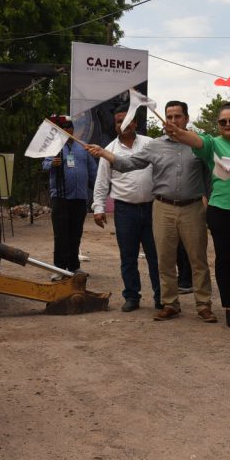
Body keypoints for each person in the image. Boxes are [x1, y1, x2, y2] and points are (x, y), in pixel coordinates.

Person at [86, 101, 216, 323]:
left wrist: (210, 205)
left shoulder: (200, 145)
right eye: (169, 116)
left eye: (178, 116)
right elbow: (128, 164)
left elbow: (210, 177)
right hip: (162, 208)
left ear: (186, 118)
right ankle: (169, 303)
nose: (173, 120)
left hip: (193, 208)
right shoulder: (154, 146)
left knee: (198, 259)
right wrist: (105, 154)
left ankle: (203, 305)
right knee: (164, 259)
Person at [165, 102, 230, 328]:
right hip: (222, 212)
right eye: (222, 121)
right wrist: (176, 130)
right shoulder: (212, 144)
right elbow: (193, 139)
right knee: (225, 261)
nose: (227, 124)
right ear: (218, 125)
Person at [91, 104, 161, 313]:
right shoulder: (109, 150)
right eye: (119, 121)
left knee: (156, 256)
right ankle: (131, 296)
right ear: (115, 126)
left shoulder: (150, 144)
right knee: (128, 257)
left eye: (128, 120)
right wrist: (98, 207)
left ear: (136, 123)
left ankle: (161, 297)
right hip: (125, 211)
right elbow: (102, 181)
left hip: (152, 208)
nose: (124, 124)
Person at [42, 115, 97, 273]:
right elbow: (44, 164)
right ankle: (59, 269)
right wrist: (52, 163)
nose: (67, 130)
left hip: (80, 198)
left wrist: (99, 189)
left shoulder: (83, 147)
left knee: (75, 234)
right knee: (61, 235)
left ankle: (74, 267)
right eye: (64, 128)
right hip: (61, 198)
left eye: (69, 127)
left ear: (73, 129)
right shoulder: (55, 147)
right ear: (60, 131)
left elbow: (92, 170)